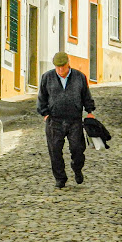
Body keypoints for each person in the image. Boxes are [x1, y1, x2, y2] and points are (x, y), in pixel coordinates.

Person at [36, 52, 96, 188]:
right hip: (54, 120)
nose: (61, 70)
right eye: (58, 67)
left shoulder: (79, 77)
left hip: (74, 119)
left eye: (63, 66)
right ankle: (60, 178)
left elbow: (86, 95)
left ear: (68, 64)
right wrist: (45, 114)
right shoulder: (47, 77)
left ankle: (77, 168)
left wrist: (90, 111)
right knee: (55, 150)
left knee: (77, 148)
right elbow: (42, 98)